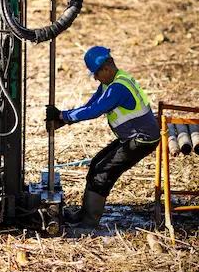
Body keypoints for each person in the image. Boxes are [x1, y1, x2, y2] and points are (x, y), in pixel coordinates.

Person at [46, 46, 160, 227]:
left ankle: (89, 223)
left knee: (103, 171)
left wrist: (63, 115)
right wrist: (66, 119)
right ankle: (83, 214)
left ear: (105, 68)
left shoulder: (118, 88)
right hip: (131, 137)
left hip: (142, 140)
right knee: (96, 163)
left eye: (95, 74)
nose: (95, 78)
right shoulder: (109, 81)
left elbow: (95, 111)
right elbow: (91, 104)